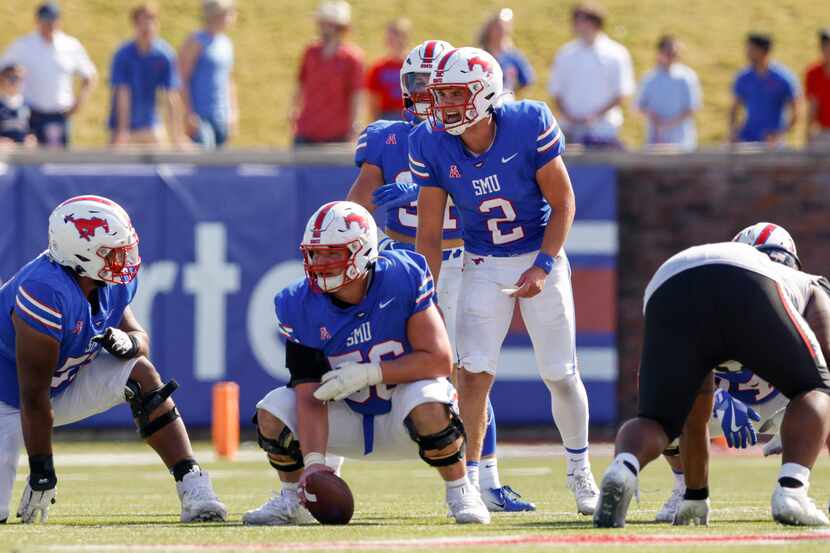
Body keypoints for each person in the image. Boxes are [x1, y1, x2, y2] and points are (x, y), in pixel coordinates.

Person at [346, 40, 535, 512]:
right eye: (417, 85)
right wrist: (373, 210)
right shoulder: (387, 136)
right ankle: (319, 469)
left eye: (435, 86)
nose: (426, 95)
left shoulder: (461, 139)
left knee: (467, 369)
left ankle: (485, 479)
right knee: (352, 356)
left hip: (459, 260)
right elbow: (355, 204)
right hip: (395, 260)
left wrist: (422, 184)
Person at [412, 47, 599, 515]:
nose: (445, 106)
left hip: (538, 254)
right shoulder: (431, 141)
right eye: (442, 95)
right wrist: (424, 296)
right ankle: (469, 484)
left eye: (456, 95)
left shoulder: (527, 122)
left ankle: (580, 471)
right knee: (472, 374)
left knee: (560, 373)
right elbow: (429, 233)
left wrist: (543, 265)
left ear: (485, 93)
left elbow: (564, 202)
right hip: (481, 261)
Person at [242, 201, 489, 526]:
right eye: (316, 253)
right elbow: (308, 393)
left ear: (362, 251)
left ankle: (460, 489)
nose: (321, 263)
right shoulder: (299, 304)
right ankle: (295, 499)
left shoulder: (402, 276)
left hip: (405, 416)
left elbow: (440, 360)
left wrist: (371, 373)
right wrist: (315, 464)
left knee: (430, 399)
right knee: (271, 412)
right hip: (347, 422)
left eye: (333, 253)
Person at [0, 195, 226, 524]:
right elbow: (32, 395)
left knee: (140, 372)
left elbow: (141, 340)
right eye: (113, 251)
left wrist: (129, 343)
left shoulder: (106, 281)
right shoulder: (44, 291)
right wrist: (42, 469)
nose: (125, 258)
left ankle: (193, 482)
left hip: (56, 388)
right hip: (8, 398)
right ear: (81, 252)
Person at [593, 238, 830, 528]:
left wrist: (697, 496)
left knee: (658, 420)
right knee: (819, 386)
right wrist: (805, 428)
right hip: (749, 283)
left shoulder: (711, 262)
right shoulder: (806, 282)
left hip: (666, 283)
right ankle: (792, 491)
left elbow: (692, 414)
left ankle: (624, 467)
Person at [653, 223, 816, 523]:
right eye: (767, 261)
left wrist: (801, 422)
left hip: (785, 401)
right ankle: (683, 484)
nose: (775, 270)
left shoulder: (804, 294)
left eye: (782, 264)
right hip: (719, 405)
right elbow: (664, 370)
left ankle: (796, 485)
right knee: (663, 412)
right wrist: (716, 396)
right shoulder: (720, 299)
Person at [0, 2, 97, 147]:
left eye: (53, 20)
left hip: (60, 115)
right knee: (30, 161)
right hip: (31, 115)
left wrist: (79, 102)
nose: (49, 25)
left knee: (58, 163)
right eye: (45, 21)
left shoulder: (70, 45)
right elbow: (3, 68)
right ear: (38, 21)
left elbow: (89, 75)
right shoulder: (23, 45)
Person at [547, 2, 634, 148]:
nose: (576, 25)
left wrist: (594, 117)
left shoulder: (616, 54)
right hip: (569, 131)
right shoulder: (565, 53)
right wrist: (570, 117)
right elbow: (556, 91)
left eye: (581, 20)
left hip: (604, 131)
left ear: (594, 22)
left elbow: (621, 93)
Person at [108, 2, 188, 147]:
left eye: (152, 23)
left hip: (152, 126)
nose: (148, 28)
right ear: (135, 26)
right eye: (143, 24)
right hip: (126, 126)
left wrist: (177, 135)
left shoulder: (164, 55)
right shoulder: (123, 55)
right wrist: (122, 131)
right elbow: (122, 93)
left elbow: (171, 95)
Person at [292, 1, 364, 145]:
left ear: (338, 27)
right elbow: (300, 83)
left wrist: (355, 125)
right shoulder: (310, 52)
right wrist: (293, 110)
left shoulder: (352, 58)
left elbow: (356, 95)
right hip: (306, 131)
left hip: (337, 134)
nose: (321, 28)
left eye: (325, 23)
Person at [178, 0, 238, 149]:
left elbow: (229, 80)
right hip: (200, 117)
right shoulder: (196, 41)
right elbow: (181, 78)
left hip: (222, 116)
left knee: (220, 166)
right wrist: (187, 113)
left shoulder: (226, 43)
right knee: (202, 163)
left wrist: (233, 112)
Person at [730, 33, 800, 145]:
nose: (747, 53)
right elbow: (734, 109)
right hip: (747, 139)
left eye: (751, 49)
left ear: (763, 51)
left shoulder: (783, 78)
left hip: (772, 143)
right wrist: (733, 132)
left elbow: (796, 112)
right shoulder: (743, 77)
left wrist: (780, 134)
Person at [637, 35, 701, 151]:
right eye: (669, 53)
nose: (672, 57)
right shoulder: (649, 78)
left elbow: (692, 107)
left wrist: (668, 124)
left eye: (675, 54)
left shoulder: (687, 77)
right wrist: (653, 117)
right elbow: (640, 106)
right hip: (654, 141)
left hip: (682, 142)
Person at [477, 8, 535, 96]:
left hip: (506, 102)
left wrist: (509, 93)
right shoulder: (480, 55)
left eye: (502, 27)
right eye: (497, 27)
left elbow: (527, 80)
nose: (500, 31)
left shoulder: (513, 55)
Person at [365, 18, 410, 121]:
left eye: (399, 35)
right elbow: (373, 102)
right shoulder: (378, 68)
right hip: (387, 117)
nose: (396, 40)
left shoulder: (415, 67)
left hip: (410, 115)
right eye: (392, 35)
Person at [0, 64, 36, 147]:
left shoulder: (28, 105)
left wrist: (31, 138)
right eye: (12, 78)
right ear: (1, 79)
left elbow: (33, 131)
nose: (16, 82)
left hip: (22, 153)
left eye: (20, 79)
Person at [805, 29, 830, 147]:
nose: (826, 49)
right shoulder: (813, 73)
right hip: (823, 132)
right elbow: (813, 105)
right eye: (824, 45)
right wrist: (808, 133)